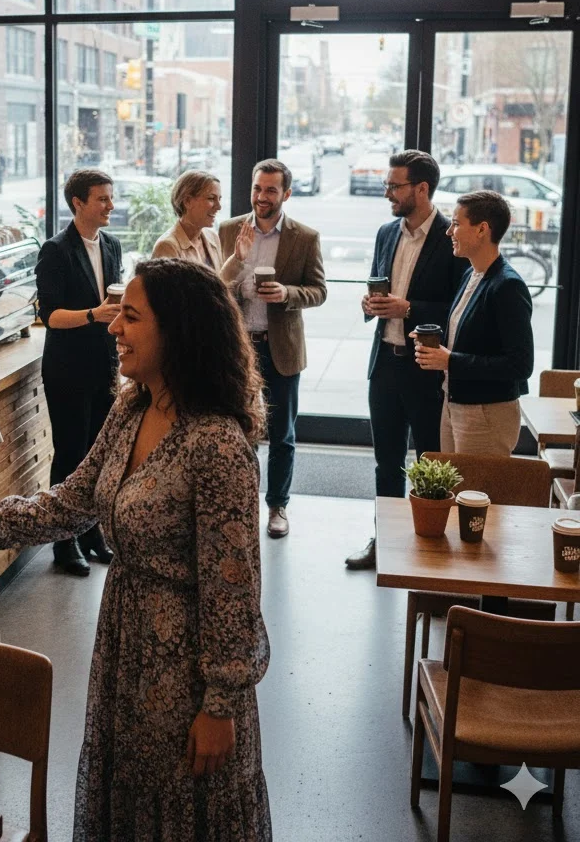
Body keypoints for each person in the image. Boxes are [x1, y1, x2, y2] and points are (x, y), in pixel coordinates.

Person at [0, 259, 272, 842]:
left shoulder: (216, 445)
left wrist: (220, 706)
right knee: (131, 797)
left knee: (183, 810)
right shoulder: (133, 407)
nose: (114, 325)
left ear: (179, 331)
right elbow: (73, 502)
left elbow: (233, 592)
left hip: (186, 668)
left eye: (132, 316)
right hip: (125, 643)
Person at [346, 151, 469, 571]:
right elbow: (380, 284)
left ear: (421, 189)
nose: (387, 193)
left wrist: (409, 308)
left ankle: (430, 548)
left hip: (424, 368)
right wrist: (371, 303)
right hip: (384, 363)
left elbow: (457, 308)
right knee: (386, 460)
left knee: (431, 461)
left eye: (394, 186)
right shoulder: (386, 232)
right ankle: (384, 541)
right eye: (388, 185)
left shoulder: (452, 237)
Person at [219, 159, 326, 539]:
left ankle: (277, 506)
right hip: (238, 349)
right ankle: (238, 503)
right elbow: (215, 288)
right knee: (235, 433)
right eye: (257, 189)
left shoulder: (305, 237)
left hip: (280, 348)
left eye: (270, 190)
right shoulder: (230, 230)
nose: (261, 197)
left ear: (287, 194)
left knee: (282, 433)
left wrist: (287, 293)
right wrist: (237, 264)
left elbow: (319, 291)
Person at [35, 169, 122, 577]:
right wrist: (94, 314)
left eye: (110, 198)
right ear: (78, 204)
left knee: (97, 457)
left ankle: (91, 532)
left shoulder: (112, 244)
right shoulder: (55, 250)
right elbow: (49, 315)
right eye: (102, 199)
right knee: (69, 455)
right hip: (67, 368)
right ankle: (63, 541)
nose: (110, 205)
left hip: (104, 365)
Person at [414, 190, 533, 455]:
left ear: (482, 230)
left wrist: (450, 361)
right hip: (454, 403)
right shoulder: (472, 273)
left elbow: (520, 365)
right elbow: (473, 336)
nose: (449, 232)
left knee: (478, 494)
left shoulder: (508, 286)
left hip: (485, 413)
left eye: (456, 224)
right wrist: (436, 344)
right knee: (454, 493)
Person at [152, 170, 224, 270]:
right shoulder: (167, 246)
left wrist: (237, 259)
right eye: (211, 198)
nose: (219, 206)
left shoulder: (213, 238)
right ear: (187, 201)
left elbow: (220, 282)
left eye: (219, 199)